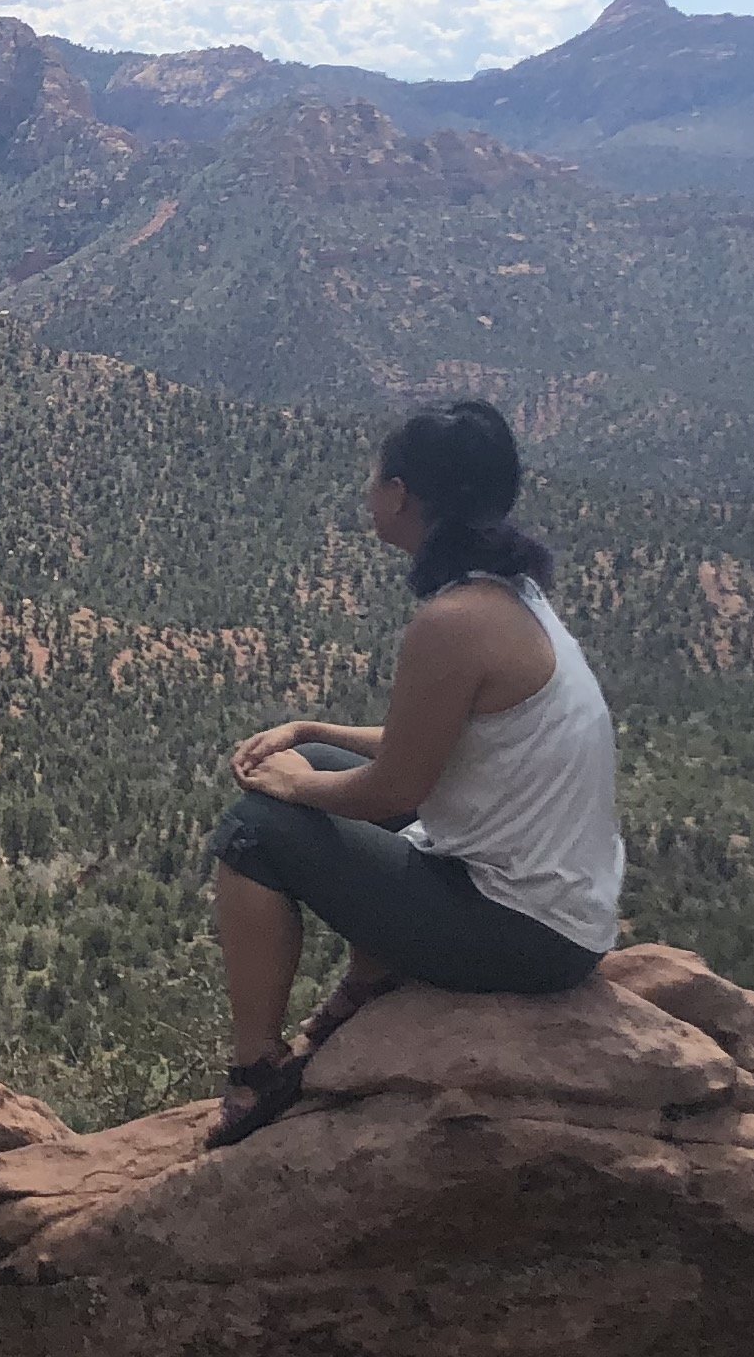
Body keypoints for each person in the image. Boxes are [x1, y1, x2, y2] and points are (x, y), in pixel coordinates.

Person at [203, 397, 621, 1147]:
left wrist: (292, 789)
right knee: (310, 766)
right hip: (556, 910)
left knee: (254, 829)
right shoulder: (509, 598)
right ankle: (371, 982)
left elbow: (397, 789)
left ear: (399, 494)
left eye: (374, 479)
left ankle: (258, 1069)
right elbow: (430, 745)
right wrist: (312, 733)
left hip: (524, 934)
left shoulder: (452, 624)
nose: (368, 492)